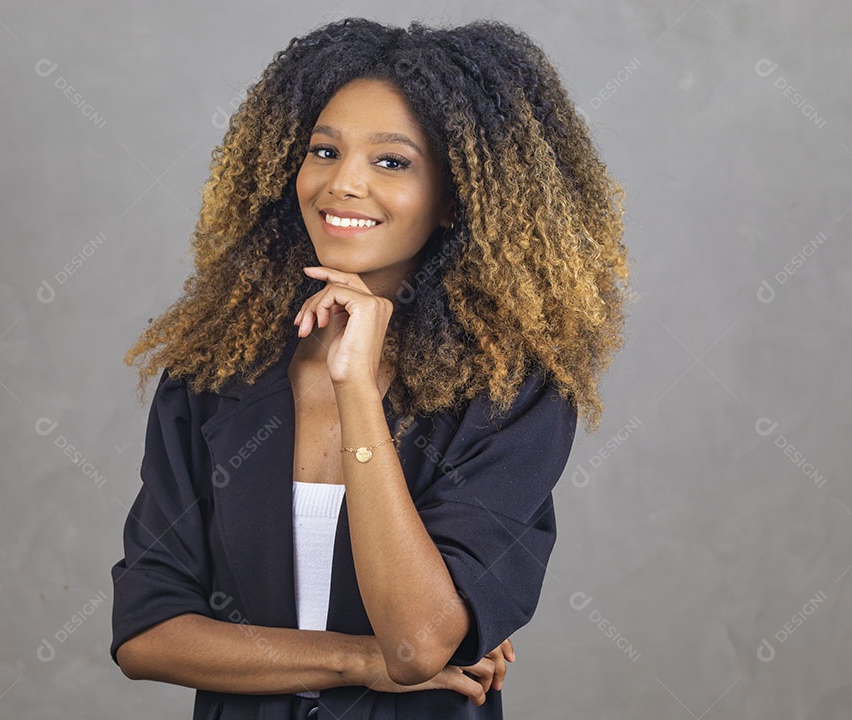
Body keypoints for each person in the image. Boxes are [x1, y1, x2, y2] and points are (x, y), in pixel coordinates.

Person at [110, 16, 630, 720]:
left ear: (454, 198)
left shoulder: (511, 397)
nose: (341, 184)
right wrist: (356, 660)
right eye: (323, 150)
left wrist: (356, 387)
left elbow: (418, 644)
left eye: (392, 161)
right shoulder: (212, 376)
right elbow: (147, 634)